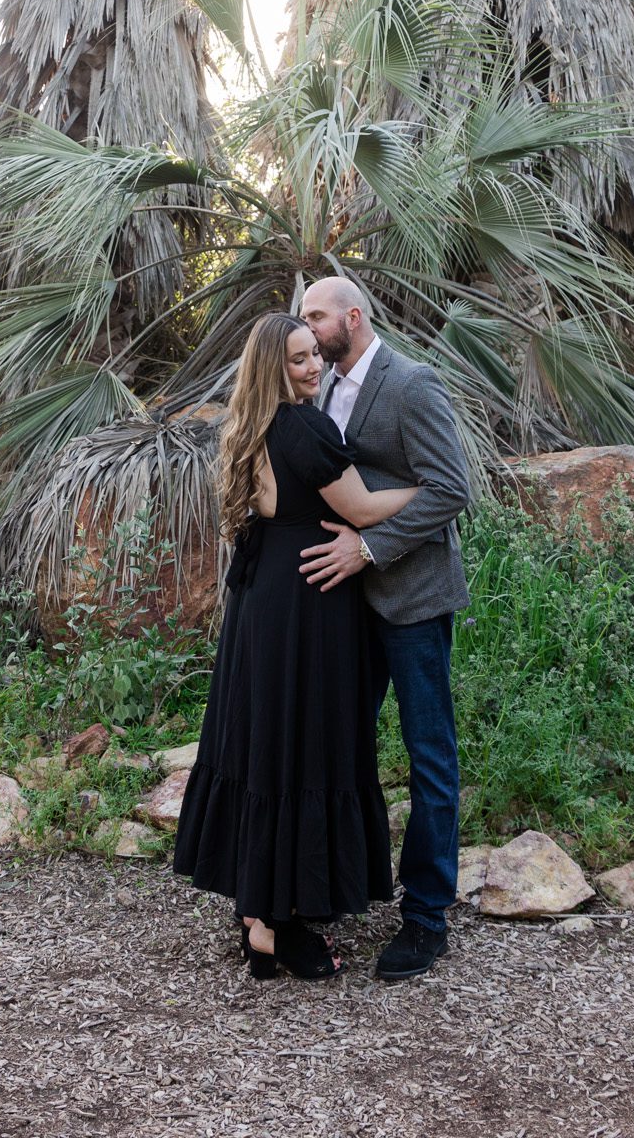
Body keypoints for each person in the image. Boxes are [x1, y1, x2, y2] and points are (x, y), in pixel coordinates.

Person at [172, 310, 417, 979]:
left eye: (314, 355)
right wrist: (424, 489)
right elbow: (363, 511)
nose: (313, 368)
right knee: (302, 745)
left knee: (261, 743)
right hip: (308, 606)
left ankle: (257, 913)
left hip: (262, 602)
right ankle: (276, 927)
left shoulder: (249, 425)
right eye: (298, 359)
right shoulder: (304, 425)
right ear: (273, 368)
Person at [298, 277, 471, 983]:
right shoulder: (316, 386)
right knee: (338, 744)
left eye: (315, 316)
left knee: (428, 756)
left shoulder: (411, 383)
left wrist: (369, 547)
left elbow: (450, 488)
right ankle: (341, 887)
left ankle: (426, 918)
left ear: (352, 317)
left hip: (411, 597)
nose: (305, 329)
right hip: (341, 606)